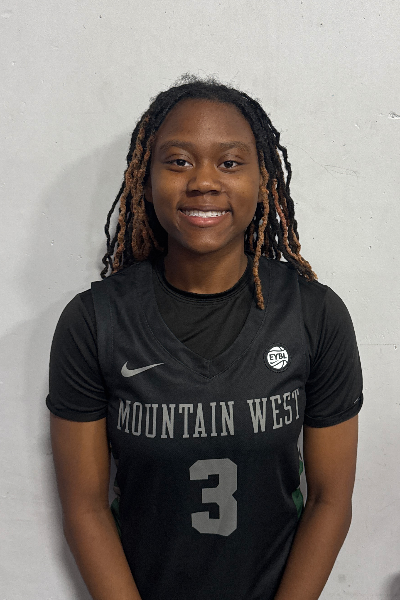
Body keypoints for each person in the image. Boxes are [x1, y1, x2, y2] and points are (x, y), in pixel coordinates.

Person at [47, 76, 363, 600]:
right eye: (178, 161)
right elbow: (85, 509)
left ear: (262, 180)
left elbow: (330, 500)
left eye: (230, 163)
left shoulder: (314, 314)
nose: (204, 182)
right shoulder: (94, 321)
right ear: (145, 178)